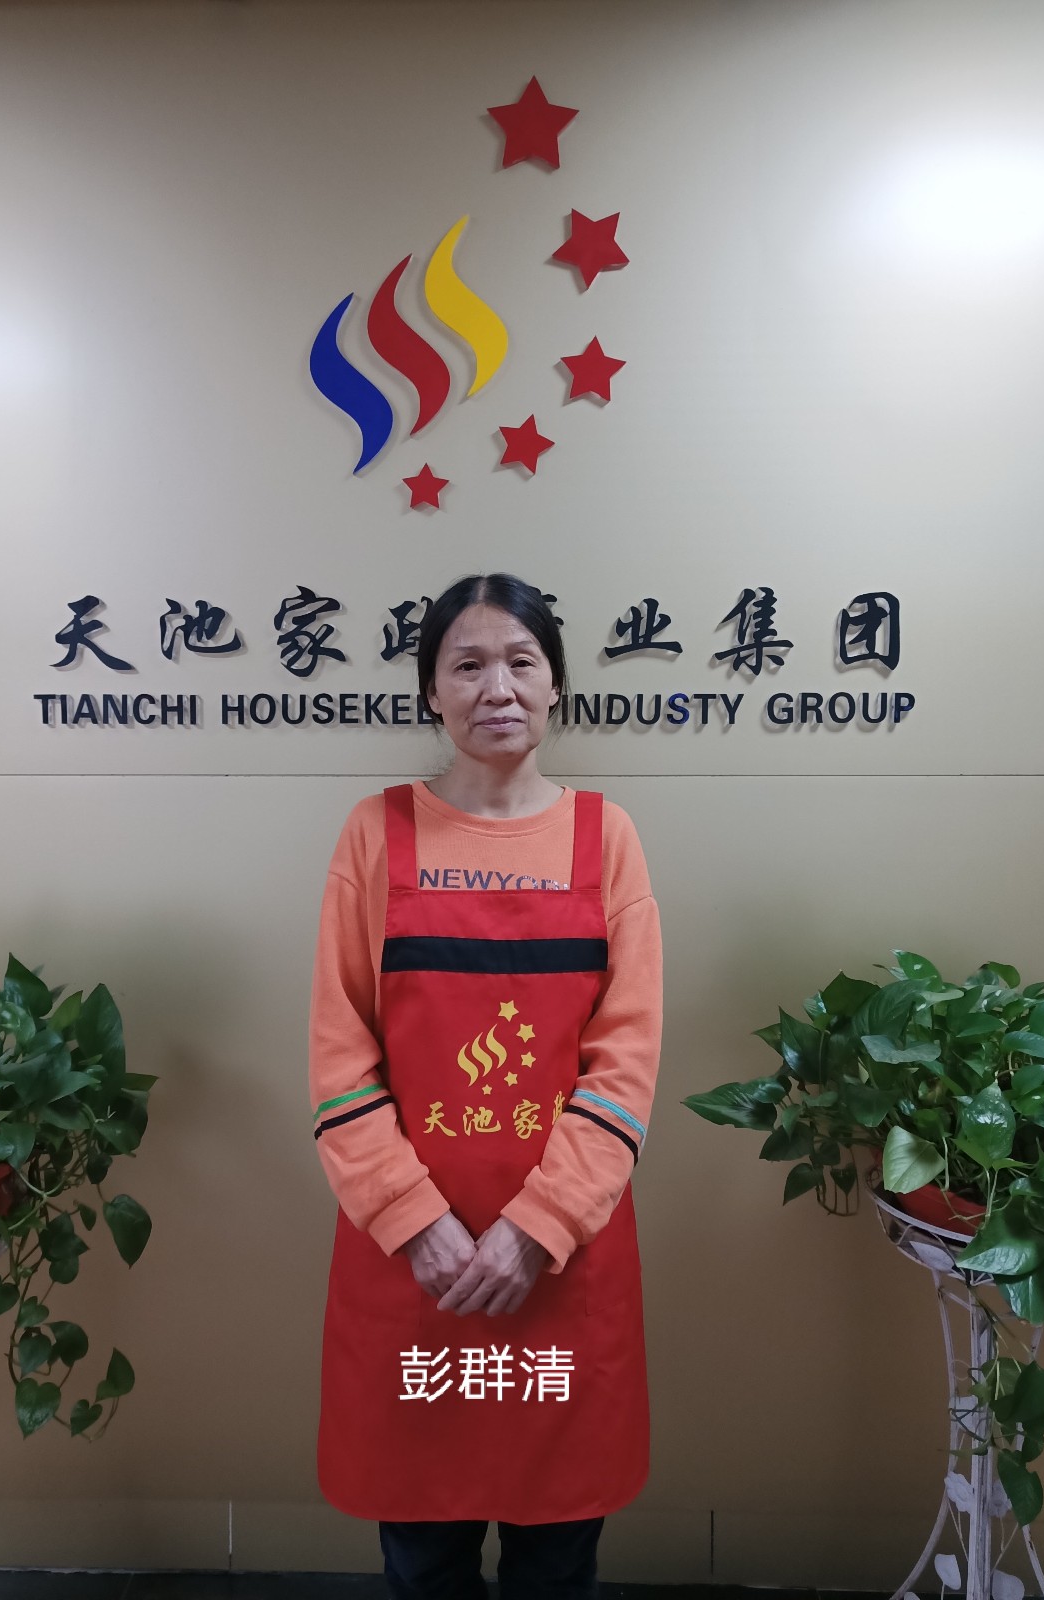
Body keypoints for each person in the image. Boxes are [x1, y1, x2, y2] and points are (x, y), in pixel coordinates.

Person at [308, 573, 663, 1600]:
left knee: (558, 1561)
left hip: (562, 1267)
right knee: (424, 1561)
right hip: (414, 1270)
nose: (495, 687)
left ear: (555, 686)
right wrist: (416, 1221)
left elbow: (625, 1060)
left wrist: (535, 1229)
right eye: (466, 665)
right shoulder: (374, 834)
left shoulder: (606, 838)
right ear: (431, 690)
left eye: (520, 661)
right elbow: (340, 1057)